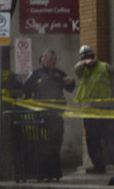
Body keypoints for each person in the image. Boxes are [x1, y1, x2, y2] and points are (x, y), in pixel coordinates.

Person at [22, 49, 75, 178]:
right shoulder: (36, 74)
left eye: (54, 59)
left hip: (56, 115)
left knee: (56, 142)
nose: (53, 62)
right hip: (40, 115)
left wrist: (71, 82)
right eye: (50, 59)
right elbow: (26, 89)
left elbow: (70, 87)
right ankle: (42, 172)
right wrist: (36, 84)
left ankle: (55, 171)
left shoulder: (58, 73)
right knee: (42, 144)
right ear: (43, 60)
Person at [73, 45, 114, 175]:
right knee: (92, 140)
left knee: (111, 138)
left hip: (106, 110)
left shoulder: (105, 68)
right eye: (84, 58)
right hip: (89, 112)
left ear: (93, 56)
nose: (87, 60)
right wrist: (84, 63)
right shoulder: (82, 70)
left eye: (89, 57)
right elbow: (77, 68)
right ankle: (98, 166)